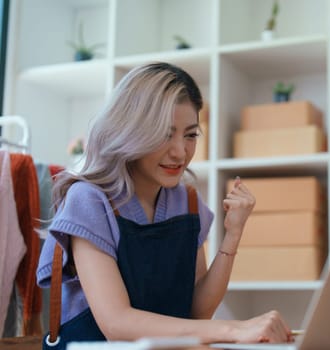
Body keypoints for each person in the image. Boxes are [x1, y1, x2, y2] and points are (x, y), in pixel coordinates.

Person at [36, 62, 292, 347]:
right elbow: (116, 324)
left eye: (191, 134)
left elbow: (197, 311)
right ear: (129, 130)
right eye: (164, 133)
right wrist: (233, 330)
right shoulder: (89, 200)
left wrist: (233, 234)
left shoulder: (187, 201)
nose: (180, 152)